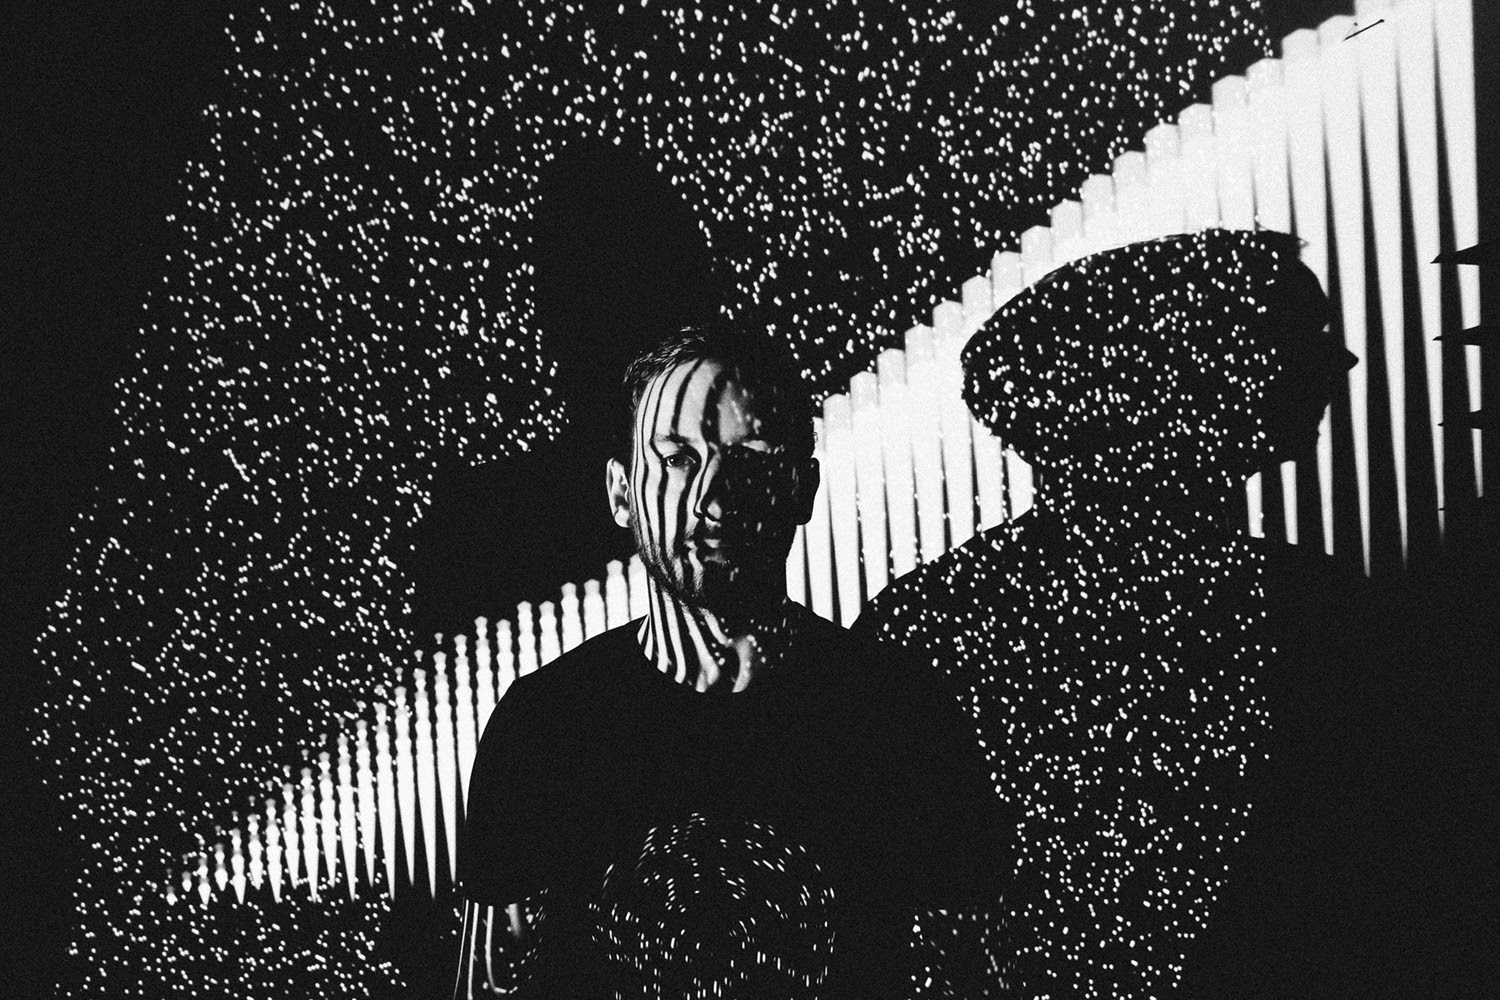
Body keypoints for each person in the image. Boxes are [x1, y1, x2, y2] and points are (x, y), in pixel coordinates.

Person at [856, 230, 1360, 999]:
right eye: (1294, 336)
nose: (1338, 362)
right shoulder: (1309, 612)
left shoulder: (925, 621)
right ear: (1184, 372)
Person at [454, 324, 1015, 998]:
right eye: (677, 459)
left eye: (751, 459)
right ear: (621, 493)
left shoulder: (899, 717)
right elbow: (489, 982)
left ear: (802, 488)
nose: (713, 499)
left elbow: (972, 975)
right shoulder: (542, 730)